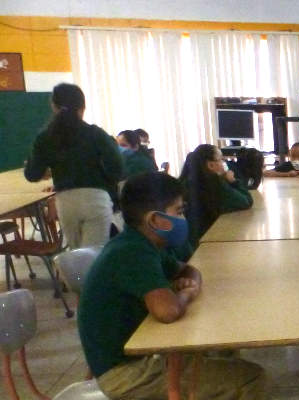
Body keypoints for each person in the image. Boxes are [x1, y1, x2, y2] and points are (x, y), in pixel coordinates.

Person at [79, 172, 266, 400]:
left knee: (225, 351)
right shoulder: (132, 253)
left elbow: (189, 270)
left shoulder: (143, 242)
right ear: (154, 220)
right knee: (250, 377)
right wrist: (187, 293)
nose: (183, 217)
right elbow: (168, 311)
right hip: (124, 373)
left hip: (137, 356)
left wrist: (189, 283)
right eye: (178, 211)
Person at [24, 83, 123, 249]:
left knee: (77, 255)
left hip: (66, 202)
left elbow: (32, 174)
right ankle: (89, 276)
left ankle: (77, 277)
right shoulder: (95, 133)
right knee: (95, 256)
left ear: (54, 107)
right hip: (96, 199)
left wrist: (37, 166)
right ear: (82, 108)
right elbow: (117, 169)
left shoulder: (45, 138)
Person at [180, 144, 254, 244]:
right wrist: (232, 181)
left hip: (190, 241)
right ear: (210, 165)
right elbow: (246, 201)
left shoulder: (185, 182)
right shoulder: (214, 183)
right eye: (221, 159)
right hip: (208, 241)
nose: (223, 162)